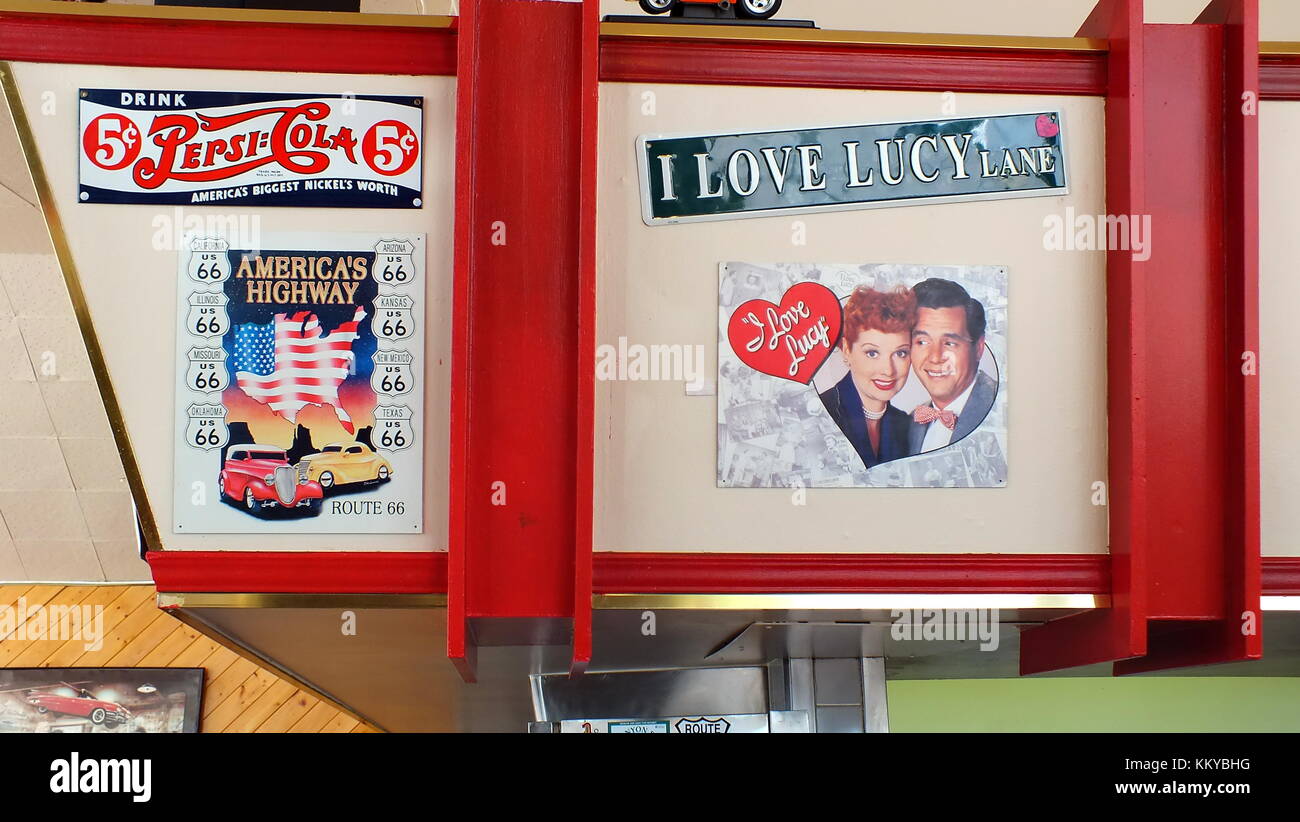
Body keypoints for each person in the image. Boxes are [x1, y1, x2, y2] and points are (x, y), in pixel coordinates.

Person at [819, 285, 915, 470]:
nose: (888, 370)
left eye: (901, 353)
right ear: (847, 350)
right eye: (872, 353)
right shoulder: (825, 411)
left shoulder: (906, 425)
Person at [907, 278, 998, 455]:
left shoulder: (1001, 407)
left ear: (978, 348)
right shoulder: (910, 424)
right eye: (922, 341)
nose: (935, 357)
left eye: (950, 343)